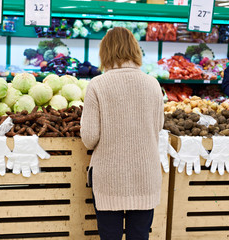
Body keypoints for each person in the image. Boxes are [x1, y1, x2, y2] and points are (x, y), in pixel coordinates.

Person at [80, 27, 164, 240]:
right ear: (135, 50)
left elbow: (89, 139)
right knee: (140, 235)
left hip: (109, 178)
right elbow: (158, 128)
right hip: (146, 175)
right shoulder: (153, 84)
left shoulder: (97, 85)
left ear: (105, 52)